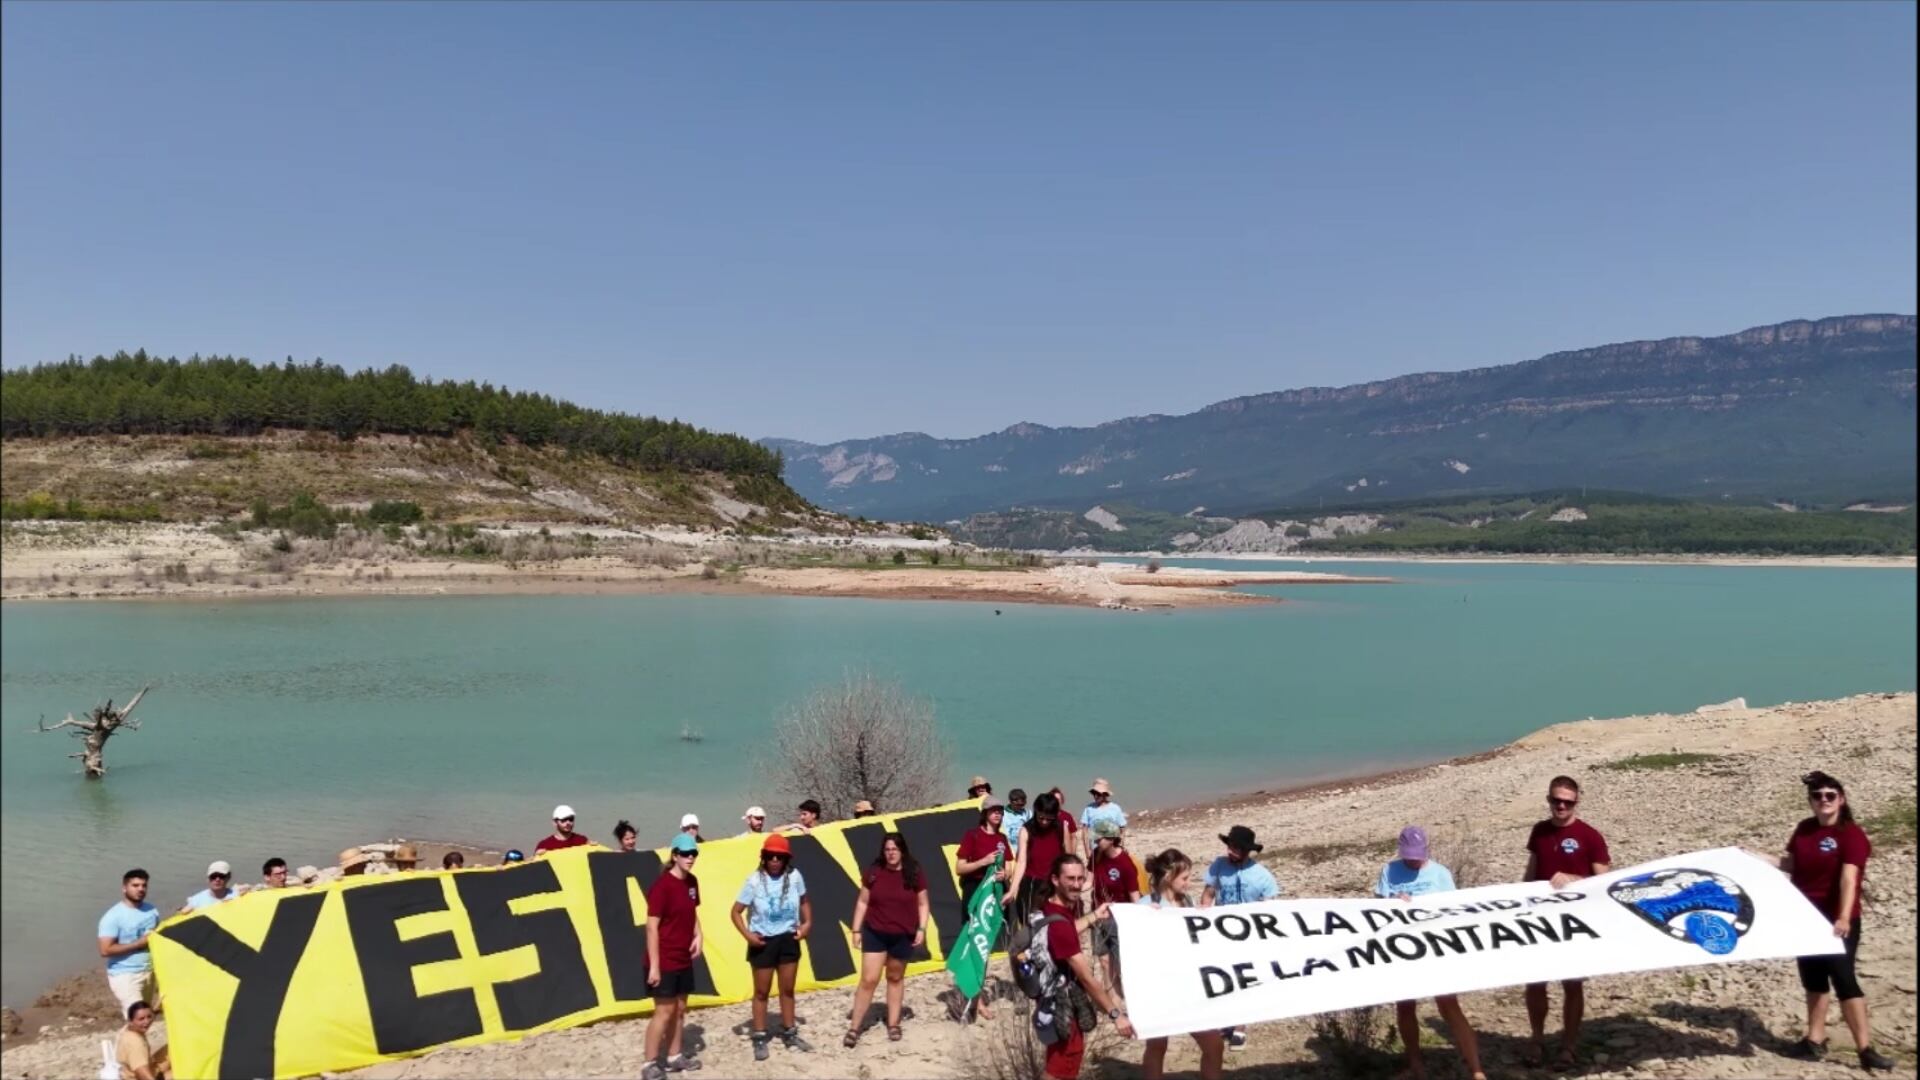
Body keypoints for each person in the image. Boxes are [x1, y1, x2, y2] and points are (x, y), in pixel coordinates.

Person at [1779, 771, 1894, 1071]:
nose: (1823, 801)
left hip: (1838, 920)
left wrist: (1842, 916)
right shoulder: (1804, 829)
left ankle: (1865, 1049)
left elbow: (1849, 878)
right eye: (1817, 797)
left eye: (1830, 795)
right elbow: (1790, 864)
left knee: (1844, 979)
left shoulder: (1851, 834)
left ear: (1841, 800)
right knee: (1813, 979)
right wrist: (1749, 857)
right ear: (1811, 802)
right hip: (1804, 916)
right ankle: (1814, 1040)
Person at [1375, 827, 1486, 1080]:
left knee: (1448, 1005)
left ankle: (1476, 1068)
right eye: (1409, 855)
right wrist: (1392, 901)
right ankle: (1415, 1064)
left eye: (1417, 855)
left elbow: (1454, 911)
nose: (1413, 860)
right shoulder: (1389, 871)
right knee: (1405, 1006)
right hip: (1402, 949)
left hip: (1436, 949)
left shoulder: (1440, 874)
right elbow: (1375, 908)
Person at [1521, 775, 1611, 1069]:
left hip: (1574, 921)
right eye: (1555, 800)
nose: (1560, 806)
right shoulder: (1539, 831)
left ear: (1576, 802)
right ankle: (1536, 1040)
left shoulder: (1590, 836)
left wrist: (1574, 880)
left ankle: (1568, 1046)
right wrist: (1519, 901)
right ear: (1548, 799)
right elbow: (1532, 871)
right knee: (1535, 983)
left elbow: (1606, 881)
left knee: (1572, 985)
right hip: (1541, 918)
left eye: (1566, 801)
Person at [1032, 854, 1134, 1079]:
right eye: (1070, 879)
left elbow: (1067, 930)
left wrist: (1094, 915)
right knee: (1061, 1066)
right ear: (1055, 880)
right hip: (1063, 1004)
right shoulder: (1059, 923)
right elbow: (1087, 978)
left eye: (1080, 878)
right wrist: (1116, 1014)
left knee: (1060, 1061)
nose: (1077, 885)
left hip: (1052, 998)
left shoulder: (1052, 910)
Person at [1131, 850, 1224, 1080]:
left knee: (1214, 1045)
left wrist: (1202, 919)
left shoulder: (1189, 902)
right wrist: (1142, 920)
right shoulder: (1146, 905)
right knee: (1157, 1046)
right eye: (1185, 878)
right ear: (1168, 877)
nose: (1189, 883)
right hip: (1160, 989)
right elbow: (1132, 946)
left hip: (1189, 988)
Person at [731, 833, 814, 1060]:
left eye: (780, 856)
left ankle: (790, 1032)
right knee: (761, 992)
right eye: (771, 856)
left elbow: (805, 901)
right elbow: (735, 911)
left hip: (788, 938)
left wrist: (807, 925)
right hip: (763, 941)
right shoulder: (754, 880)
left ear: (786, 859)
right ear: (764, 857)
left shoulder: (795, 876)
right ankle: (759, 1036)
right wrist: (748, 935)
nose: (775, 861)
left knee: (787, 990)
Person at [844, 831, 930, 1047]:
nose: (891, 853)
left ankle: (893, 1024)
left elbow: (923, 904)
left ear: (902, 851)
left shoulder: (914, 872)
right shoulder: (874, 872)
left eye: (895, 849)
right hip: (875, 931)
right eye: (887, 849)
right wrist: (855, 930)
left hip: (903, 933)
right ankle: (854, 1027)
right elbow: (862, 902)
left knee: (895, 977)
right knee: (869, 979)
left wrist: (922, 928)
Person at [1201, 825, 1278, 1050]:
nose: (1230, 851)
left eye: (1236, 848)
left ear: (1247, 851)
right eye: (1229, 846)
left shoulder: (1262, 876)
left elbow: (1270, 907)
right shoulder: (1218, 866)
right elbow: (1208, 893)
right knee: (1223, 977)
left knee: (1244, 978)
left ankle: (1239, 1028)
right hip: (1222, 932)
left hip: (1249, 936)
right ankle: (1225, 1019)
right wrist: (1203, 918)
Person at [641, 833, 704, 1080]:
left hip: (682, 957)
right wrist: (654, 966)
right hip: (664, 958)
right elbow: (651, 927)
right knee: (663, 1012)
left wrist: (699, 934)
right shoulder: (662, 886)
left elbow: (692, 912)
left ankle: (674, 1056)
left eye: (694, 854)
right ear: (675, 855)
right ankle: (648, 1063)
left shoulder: (692, 883)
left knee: (680, 1009)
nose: (690, 858)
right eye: (685, 854)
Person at [954, 795, 1014, 1020]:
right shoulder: (973, 835)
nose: (997, 814)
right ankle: (968, 995)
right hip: (974, 893)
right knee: (971, 944)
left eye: (1000, 811)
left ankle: (977, 999)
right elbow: (959, 867)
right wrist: (983, 862)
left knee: (984, 946)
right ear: (985, 814)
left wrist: (1004, 874)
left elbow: (1010, 866)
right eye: (993, 811)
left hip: (992, 896)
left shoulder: (1002, 838)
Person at [99, 869, 160, 1015]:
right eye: (135, 885)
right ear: (124, 888)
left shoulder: (152, 910)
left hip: (148, 972)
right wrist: (139, 944)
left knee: (144, 1017)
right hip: (125, 974)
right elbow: (105, 950)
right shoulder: (113, 916)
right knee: (138, 1016)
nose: (140, 889)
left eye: (144, 885)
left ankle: (127, 1038)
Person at [1087, 819, 1138, 990]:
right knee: (1103, 960)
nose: (1096, 842)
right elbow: (1088, 882)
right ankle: (1110, 999)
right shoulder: (1095, 856)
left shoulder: (1125, 864)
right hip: (1096, 914)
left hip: (1117, 919)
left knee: (1121, 961)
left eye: (1099, 839)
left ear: (1111, 839)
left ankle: (1127, 993)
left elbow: (1134, 896)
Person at [1010, 792, 1073, 926]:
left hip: (1054, 883)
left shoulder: (1061, 828)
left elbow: (1069, 858)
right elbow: (1021, 862)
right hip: (1032, 884)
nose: (1044, 822)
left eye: (1049, 819)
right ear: (1035, 812)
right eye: (1041, 817)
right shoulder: (1026, 830)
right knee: (1030, 924)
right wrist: (1013, 889)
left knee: (1056, 923)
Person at [116, 1000, 170, 1080]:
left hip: (134, 1071)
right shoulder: (136, 1044)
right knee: (179, 1071)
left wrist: (156, 1010)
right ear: (131, 1021)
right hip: (139, 1076)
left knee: (174, 1048)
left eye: (149, 1017)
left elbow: (146, 1016)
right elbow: (142, 1074)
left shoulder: (128, 1030)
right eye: (141, 1019)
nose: (147, 1021)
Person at [1002, 788, 1031, 854]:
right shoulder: (1002, 814)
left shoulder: (1028, 814)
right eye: (1018, 805)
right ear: (1011, 801)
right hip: (1007, 850)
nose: (1020, 807)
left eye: (1022, 805)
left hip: (1023, 850)